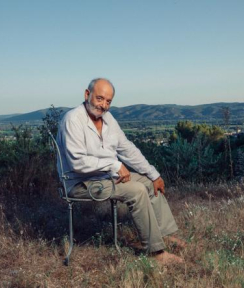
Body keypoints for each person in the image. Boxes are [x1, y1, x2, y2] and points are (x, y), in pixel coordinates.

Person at [56, 78, 185, 264]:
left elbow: (126, 148)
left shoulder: (108, 118)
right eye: (100, 98)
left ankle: (164, 234)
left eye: (108, 101)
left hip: (103, 178)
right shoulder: (73, 120)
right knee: (136, 190)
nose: (103, 105)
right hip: (79, 183)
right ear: (87, 94)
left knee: (148, 183)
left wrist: (153, 173)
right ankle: (156, 253)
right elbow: (77, 162)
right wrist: (114, 165)